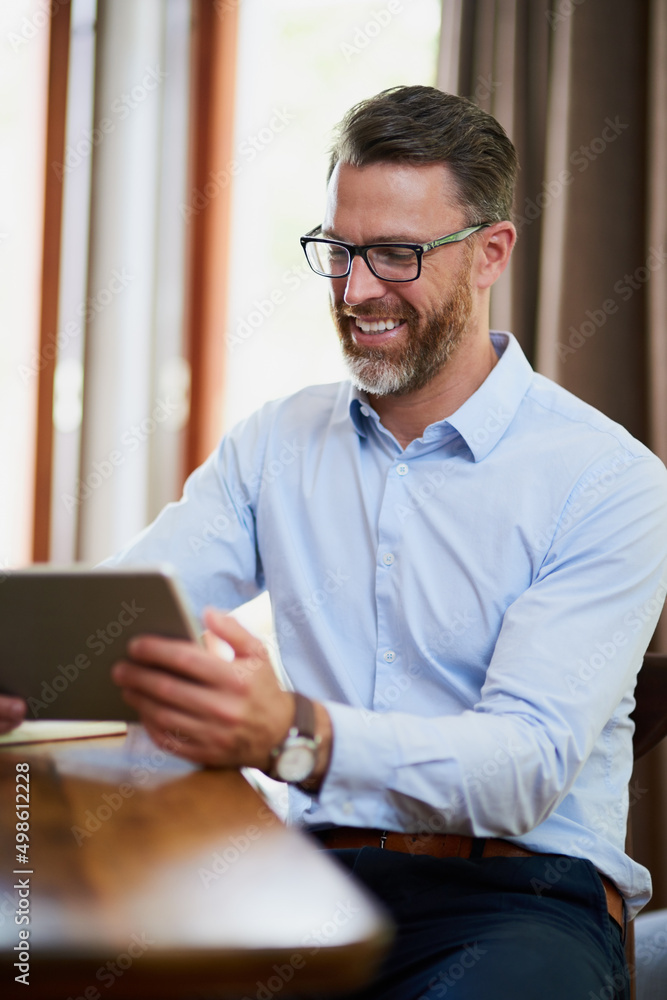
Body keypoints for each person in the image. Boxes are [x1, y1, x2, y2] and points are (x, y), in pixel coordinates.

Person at [3, 86, 667, 999]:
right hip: (302, 883)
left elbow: (522, 769)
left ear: (489, 254)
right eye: (339, 252)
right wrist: (30, 674)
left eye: (396, 255)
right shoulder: (276, 442)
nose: (357, 292)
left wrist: (294, 735)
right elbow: (120, 615)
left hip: (518, 896)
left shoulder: (609, 482)